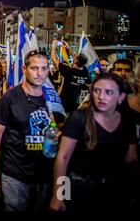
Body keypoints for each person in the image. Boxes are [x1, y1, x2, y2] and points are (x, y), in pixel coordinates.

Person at [0, 50, 64, 211]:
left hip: (45, 173)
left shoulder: (52, 97)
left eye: (43, 68)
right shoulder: (10, 98)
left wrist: (56, 131)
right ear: (24, 69)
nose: (39, 73)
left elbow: (58, 126)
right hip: (15, 173)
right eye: (34, 68)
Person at [50, 73, 138, 211]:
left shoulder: (127, 122)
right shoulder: (78, 118)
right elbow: (63, 159)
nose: (101, 97)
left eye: (108, 92)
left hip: (113, 192)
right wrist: (59, 196)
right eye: (97, 91)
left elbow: (131, 160)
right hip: (78, 190)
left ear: (120, 96)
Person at [51, 40, 90, 113]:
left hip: (64, 104)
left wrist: (53, 46)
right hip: (76, 104)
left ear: (74, 61)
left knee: (61, 122)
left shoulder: (68, 71)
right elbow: (76, 58)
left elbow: (54, 59)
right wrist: (68, 48)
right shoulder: (85, 72)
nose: (74, 56)